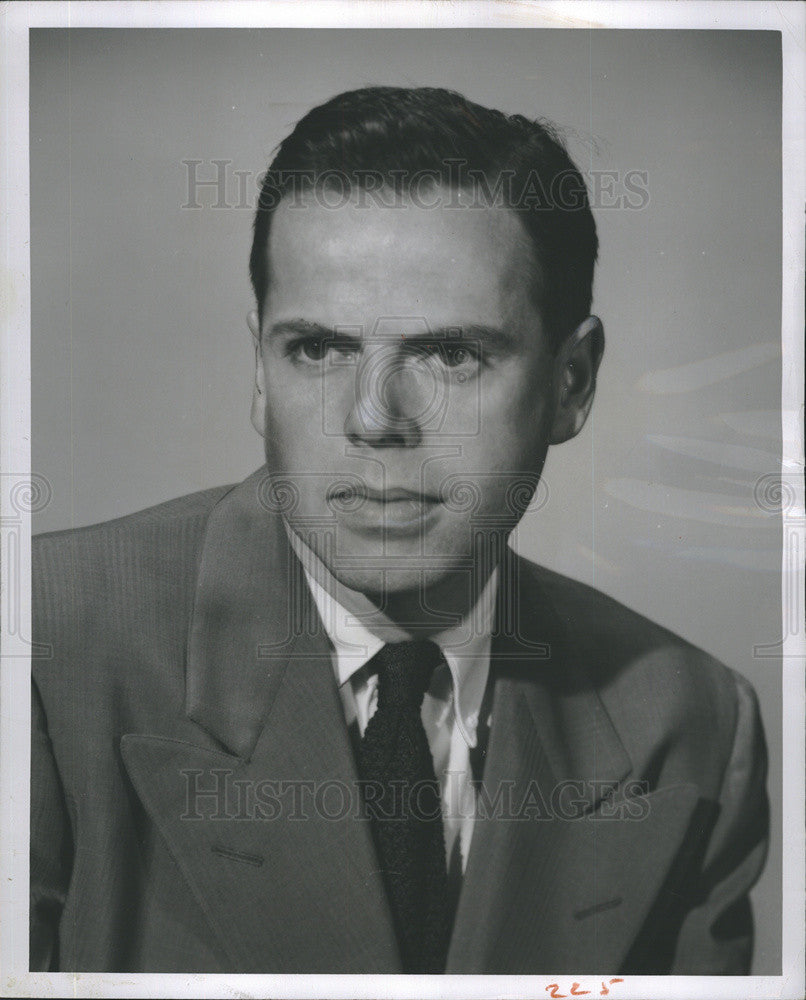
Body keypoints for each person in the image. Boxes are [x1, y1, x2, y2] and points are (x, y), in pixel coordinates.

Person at [30, 86, 768, 975]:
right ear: (260, 370)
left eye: (450, 355)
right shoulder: (38, 649)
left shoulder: (687, 725)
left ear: (572, 382)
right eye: (317, 349)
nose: (375, 418)